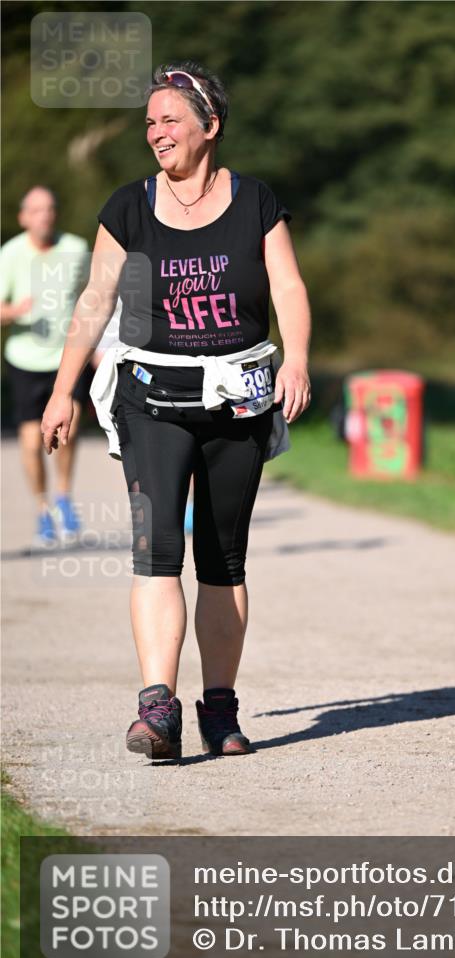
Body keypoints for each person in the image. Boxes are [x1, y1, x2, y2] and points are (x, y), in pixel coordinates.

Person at [41, 61, 311, 759]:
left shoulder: (255, 201)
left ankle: (219, 710)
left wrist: (298, 359)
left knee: (222, 559)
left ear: (209, 126)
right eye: (149, 122)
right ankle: (157, 710)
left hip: (238, 401)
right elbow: (96, 300)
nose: (156, 132)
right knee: (157, 548)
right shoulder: (128, 207)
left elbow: (286, 286)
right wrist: (63, 389)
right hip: (151, 399)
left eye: (170, 119)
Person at [1, 187, 91, 546]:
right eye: (37, 210)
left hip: (66, 357)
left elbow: (95, 297)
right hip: (25, 359)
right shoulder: (10, 254)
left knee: (69, 429)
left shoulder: (76, 248)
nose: (45, 215)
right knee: (29, 441)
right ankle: (42, 510)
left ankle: (64, 498)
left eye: (50, 208)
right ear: (23, 217)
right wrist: (14, 311)